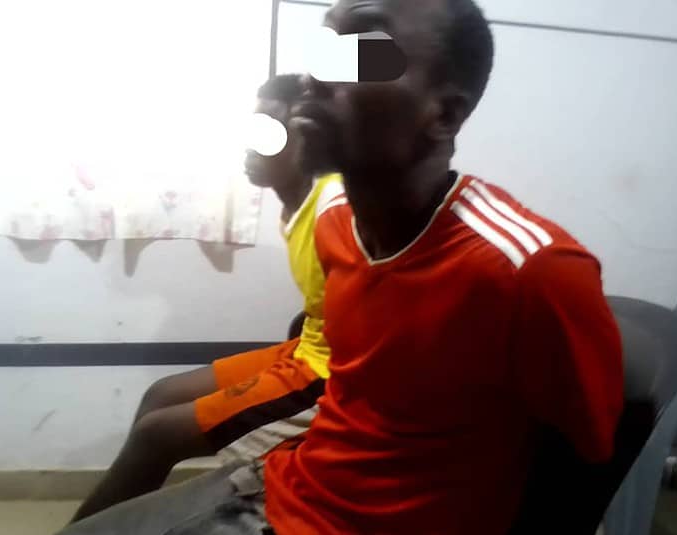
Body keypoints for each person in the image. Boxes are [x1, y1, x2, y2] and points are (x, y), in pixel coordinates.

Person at [62, 1, 624, 533]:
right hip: (288, 484)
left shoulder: (530, 270)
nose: (314, 79)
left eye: (362, 55)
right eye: (324, 50)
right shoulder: (337, 225)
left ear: (445, 113)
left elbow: (586, 465)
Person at [70, 74, 344, 522]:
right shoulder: (295, 202)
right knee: (161, 396)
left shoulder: (334, 207)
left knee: (158, 435)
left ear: (304, 138)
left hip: (328, 368)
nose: (250, 147)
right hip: (308, 346)